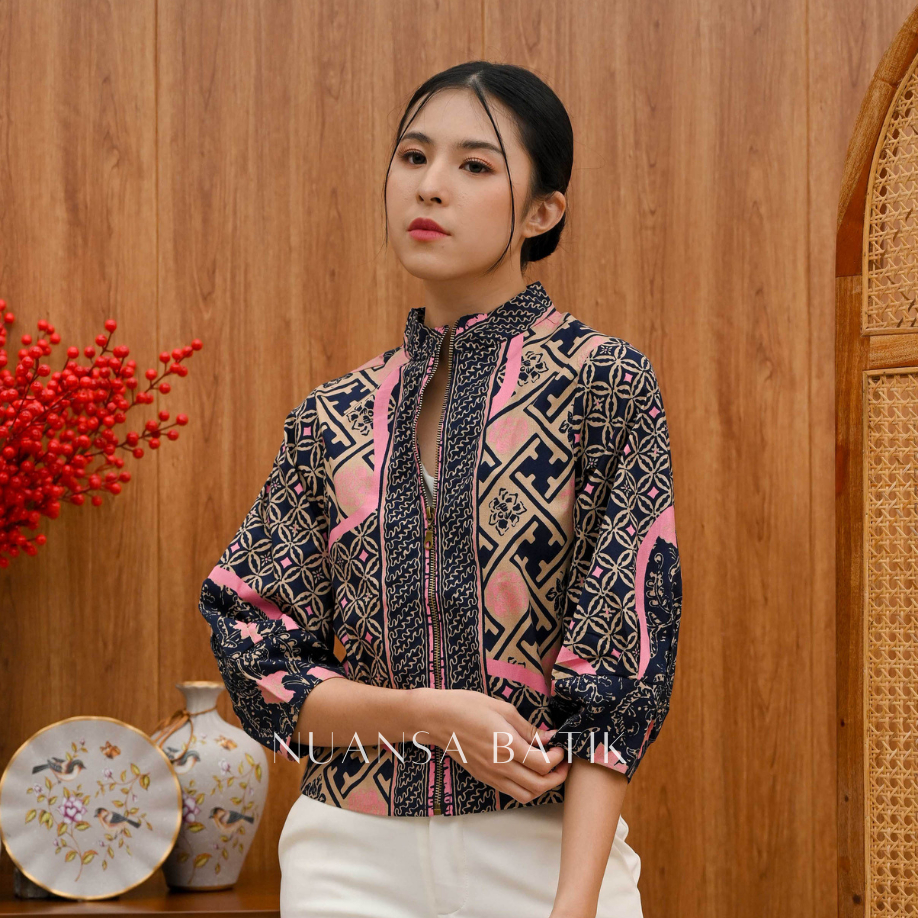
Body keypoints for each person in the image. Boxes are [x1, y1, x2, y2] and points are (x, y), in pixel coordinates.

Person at [199, 60, 682, 918]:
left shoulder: (603, 384)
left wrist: (573, 905)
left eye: (475, 164)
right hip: (347, 861)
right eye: (414, 156)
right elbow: (256, 652)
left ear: (542, 212)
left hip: (541, 855)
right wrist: (425, 715)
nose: (430, 186)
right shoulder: (330, 416)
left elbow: (620, 664)